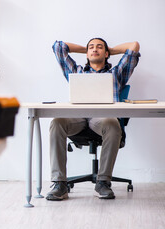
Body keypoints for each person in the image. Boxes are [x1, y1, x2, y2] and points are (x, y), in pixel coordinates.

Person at [47, 38, 140, 200]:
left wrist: (109, 50)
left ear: (106, 53)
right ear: (87, 53)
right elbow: (58, 47)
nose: (94, 49)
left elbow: (133, 46)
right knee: (57, 122)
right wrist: (86, 49)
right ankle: (59, 184)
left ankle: (103, 182)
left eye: (99, 47)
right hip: (78, 118)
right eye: (91, 47)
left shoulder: (117, 73)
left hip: (103, 119)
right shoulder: (76, 71)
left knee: (112, 122)